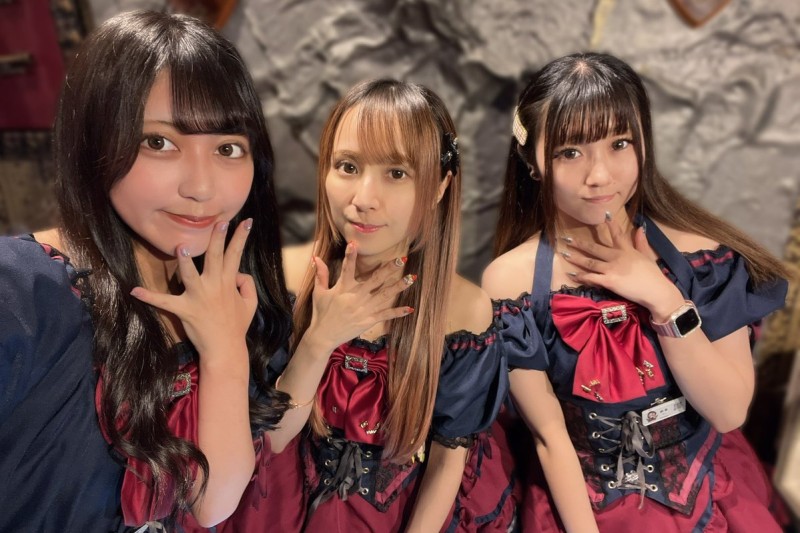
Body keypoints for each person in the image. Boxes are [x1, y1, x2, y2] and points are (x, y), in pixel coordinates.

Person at [0, 10, 380, 531]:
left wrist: (224, 351)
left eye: (228, 148)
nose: (202, 187)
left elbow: (216, 501)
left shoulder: (232, 293)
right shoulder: (20, 294)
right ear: (94, 141)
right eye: (159, 142)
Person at [482, 52, 790, 532]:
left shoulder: (703, 261)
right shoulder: (511, 281)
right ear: (532, 161)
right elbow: (548, 437)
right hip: (577, 507)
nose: (599, 175)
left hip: (712, 499)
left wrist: (662, 298)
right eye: (570, 152)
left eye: (619, 143)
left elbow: (729, 411)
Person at [226, 78, 542, 532]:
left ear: (439, 186)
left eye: (397, 173)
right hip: (287, 507)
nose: (363, 200)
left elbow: (447, 458)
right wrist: (320, 339)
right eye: (348, 166)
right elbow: (273, 440)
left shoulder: (464, 311)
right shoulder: (286, 279)